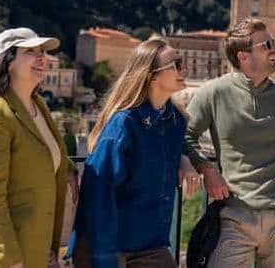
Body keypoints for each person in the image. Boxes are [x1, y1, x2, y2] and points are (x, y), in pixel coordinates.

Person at [185, 18, 275, 268]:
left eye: (273, 43)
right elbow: (184, 135)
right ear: (243, 56)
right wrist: (206, 169)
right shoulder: (213, 93)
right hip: (233, 214)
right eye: (266, 45)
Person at [68, 37, 199, 268]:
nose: (184, 68)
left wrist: (185, 159)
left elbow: (171, 146)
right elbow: (98, 195)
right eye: (175, 64)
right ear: (152, 76)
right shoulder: (123, 125)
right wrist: (103, 259)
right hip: (108, 245)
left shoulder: (175, 122)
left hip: (151, 244)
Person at [0, 27, 78, 268]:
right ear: (8, 63)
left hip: (33, 249)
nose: (41, 56)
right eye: (30, 51)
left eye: (42, 50)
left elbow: (40, 151)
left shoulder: (38, 106)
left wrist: (66, 167)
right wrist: (11, 261)